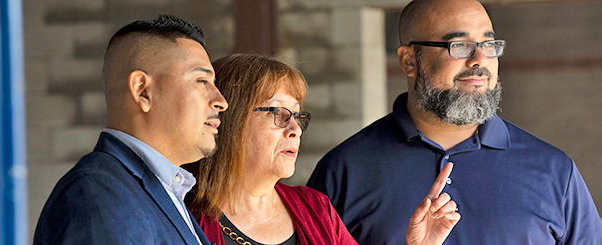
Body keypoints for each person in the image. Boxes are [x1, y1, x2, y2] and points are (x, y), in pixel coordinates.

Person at [307, 0, 602, 244]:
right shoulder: (342, 172)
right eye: (459, 45)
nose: (479, 59)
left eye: (489, 44)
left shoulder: (554, 172)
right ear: (409, 61)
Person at [186, 53, 460, 245]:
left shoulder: (315, 208)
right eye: (280, 113)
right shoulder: (181, 212)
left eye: (298, 116)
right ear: (230, 117)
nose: (294, 129)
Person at [33, 15, 227, 244]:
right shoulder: (98, 195)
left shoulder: (156, 190)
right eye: (202, 81)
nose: (220, 101)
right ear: (142, 91)